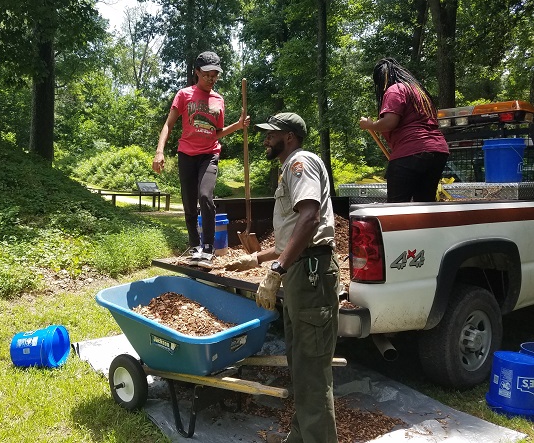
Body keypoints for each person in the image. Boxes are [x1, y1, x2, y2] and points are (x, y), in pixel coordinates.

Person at [225, 112, 339, 443]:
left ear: (288, 137)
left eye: (270, 134)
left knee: (313, 374)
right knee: (302, 366)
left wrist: (277, 270)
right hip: (303, 273)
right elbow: (294, 234)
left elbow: (309, 218)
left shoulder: (298, 163)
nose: (265, 139)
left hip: (310, 275)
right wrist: (257, 259)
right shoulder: (289, 168)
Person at [153, 51, 249, 268]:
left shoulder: (219, 100)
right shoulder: (184, 95)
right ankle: (194, 246)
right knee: (188, 203)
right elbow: (168, 124)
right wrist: (159, 151)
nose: (211, 78)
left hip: (209, 153)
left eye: (215, 74)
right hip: (186, 154)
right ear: (197, 72)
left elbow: (216, 132)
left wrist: (238, 125)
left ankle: (207, 247)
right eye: (207, 74)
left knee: (205, 196)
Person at [359, 57, 449, 202]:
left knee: (397, 206)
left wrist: (370, 125)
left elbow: (389, 123)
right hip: (437, 151)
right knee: (425, 203)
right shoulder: (420, 92)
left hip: (411, 150)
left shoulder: (395, 90)